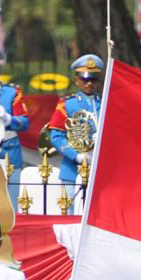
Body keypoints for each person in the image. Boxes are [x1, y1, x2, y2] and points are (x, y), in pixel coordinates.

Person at [48, 54, 103, 188]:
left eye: (93, 79)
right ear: (76, 80)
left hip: (100, 167)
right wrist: (76, 156)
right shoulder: (67, 104)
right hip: (72, 169)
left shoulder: (106, 102)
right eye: (85, 79)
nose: (89, 83)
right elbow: (56, 136)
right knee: (72, 207)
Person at [0, 51, 30, 204]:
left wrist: (8, 119)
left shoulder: (11, 93)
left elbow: (24, 122)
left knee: (11, 203)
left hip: (8, 150)